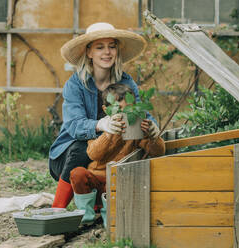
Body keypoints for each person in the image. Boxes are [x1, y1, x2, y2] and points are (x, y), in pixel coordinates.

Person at [48, 22, 161, 212]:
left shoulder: (126, 82)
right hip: (68, 157)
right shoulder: (75, 85)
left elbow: (141, 112)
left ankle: (100, 204)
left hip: (108, 156)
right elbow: (74, 126)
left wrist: (153, 127)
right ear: (89, 52)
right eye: (100, 47)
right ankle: (56, 210)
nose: (107, 52)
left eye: (112, 46)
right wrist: (102, 123)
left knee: (131, 147)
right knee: (80, 146)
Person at [70, 84, 165, 226]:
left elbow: (158, 152)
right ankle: (86, 216)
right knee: (77, 174)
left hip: (118, 184)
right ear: (106, 110)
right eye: (119, 110)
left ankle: (110, 218)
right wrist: (109, 133)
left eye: (129, 109)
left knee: (117, 182)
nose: (125, 115)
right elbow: (93, 154)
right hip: (97, 181)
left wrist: (152, 136)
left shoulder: (136, 131)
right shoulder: (101, 128)